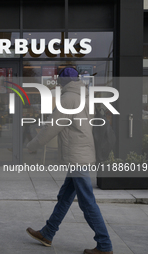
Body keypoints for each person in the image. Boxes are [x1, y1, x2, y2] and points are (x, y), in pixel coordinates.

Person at [25, 67, 113, 254]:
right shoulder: (84, 96)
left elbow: (52, 127)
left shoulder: (68, 99)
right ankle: (48, 233)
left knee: (87, 202)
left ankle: (104, 245)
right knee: (65, 197)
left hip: (77, 156)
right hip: (81, 152)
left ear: (64, 83)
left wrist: (31, 146)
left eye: (59, 81)